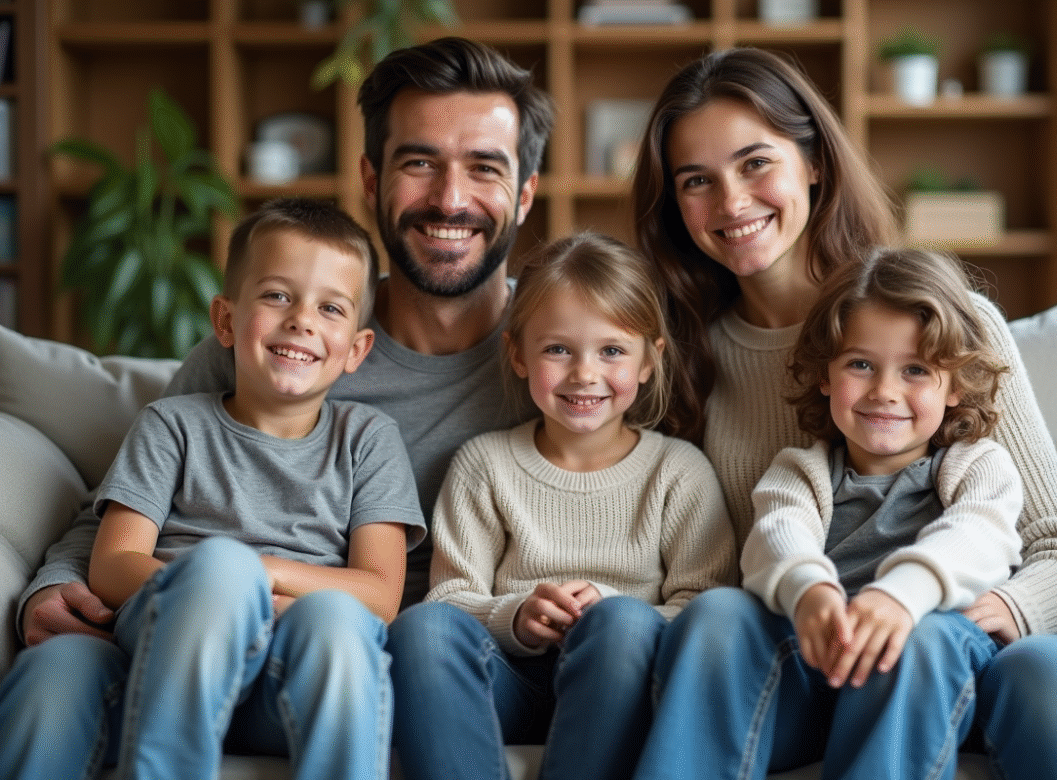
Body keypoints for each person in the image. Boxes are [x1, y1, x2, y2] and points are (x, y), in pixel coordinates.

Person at [0, 36, 553, 779]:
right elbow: (116, 517)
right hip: (182, 619)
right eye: (419, 162)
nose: (450, 199)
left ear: (524, 192)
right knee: (51, 680)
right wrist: (50, 588)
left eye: (484, 167)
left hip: (358, 645)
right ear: (371, 177)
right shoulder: (249, 356)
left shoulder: (564, 360)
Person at [629, 47, 1057, 780]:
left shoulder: (944, 323)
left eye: (756, 163)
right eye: (697, 181)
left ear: (814, 163)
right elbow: (744, 550)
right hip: (800, 655)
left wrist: (978, 611)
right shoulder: (678, 358)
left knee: (1046, 675)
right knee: (719, 616)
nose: (731, 201)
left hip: (953, 637)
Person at [89, 197, 427, 779]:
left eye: (330, 308)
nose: (301, 319)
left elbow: (379, 594)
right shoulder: (172, 424)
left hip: (293, 662)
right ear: (224, 320)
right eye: (277, 295)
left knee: (340, 623)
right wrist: (227, 584)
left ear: (356, 349)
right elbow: (113, 565)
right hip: (171, 643)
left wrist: (262, 575)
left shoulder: (369, 439)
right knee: (222, 570)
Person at [386, 232, 737, 780]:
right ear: (518, 355)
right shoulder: (485, 464)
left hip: (627, 686)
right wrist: (518, 617)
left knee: (619, 621)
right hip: (510, 687)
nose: (584, 374)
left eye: (612, 351)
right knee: (420, 629)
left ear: (650, 361)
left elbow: (708, 609)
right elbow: (452, 598)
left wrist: (612, 609)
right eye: (557, 349)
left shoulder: (678, 472)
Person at [737, 247, 1023, 778]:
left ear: (956, 385)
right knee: (722, 612)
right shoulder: (803, 470)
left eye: (915, 369)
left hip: (934, 663)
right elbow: (777, 533)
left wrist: (902, 595)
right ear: (825, 374)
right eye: (861, 364)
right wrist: (811, 591)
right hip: (822, 665)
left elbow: (980, 533)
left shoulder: (976, 464)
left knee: (927, 637)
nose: (884, 392)